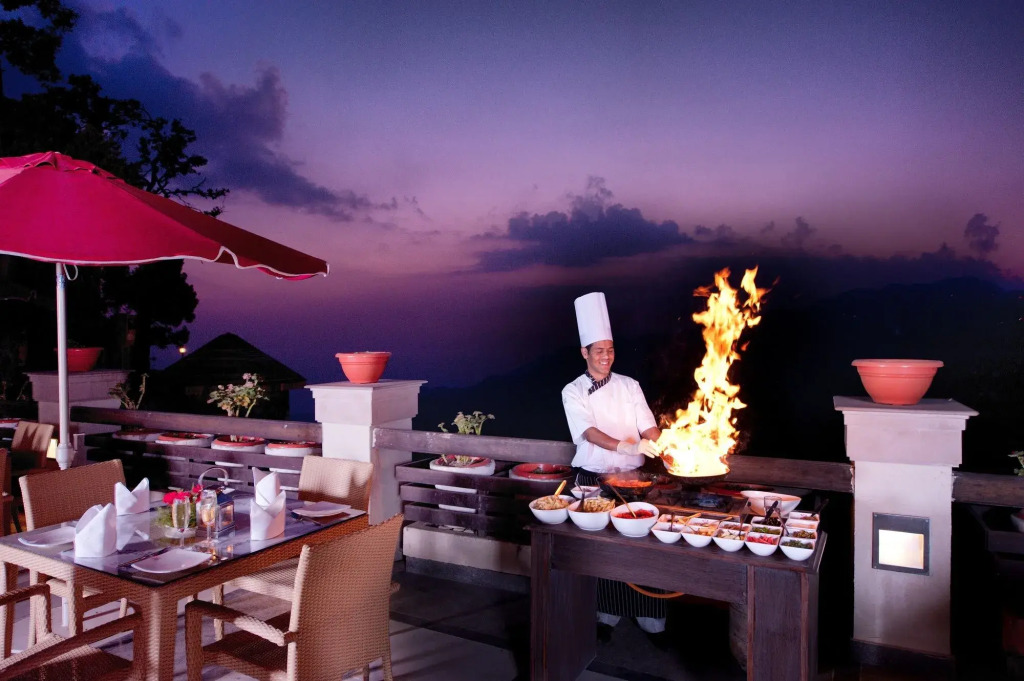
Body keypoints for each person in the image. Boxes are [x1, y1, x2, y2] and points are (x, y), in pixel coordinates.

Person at [561, 291, 667, 645]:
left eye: (610, 349)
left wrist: (665, 444)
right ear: (585, 353)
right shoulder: (573, 391)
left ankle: (651, 616)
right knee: (603, 548)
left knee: (644, 544)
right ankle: (606, 614)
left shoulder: (630, 385)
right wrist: (627, 446)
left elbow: (648, 426)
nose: (606, 356)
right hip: (593, 480)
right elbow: (589, 432)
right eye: (599, 351)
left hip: (634, 481)